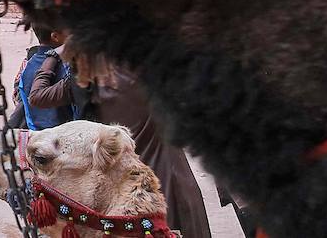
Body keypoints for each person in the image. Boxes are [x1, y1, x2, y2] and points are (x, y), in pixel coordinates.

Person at [28, 56, 212, 238]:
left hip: (127, 192)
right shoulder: (151, 66)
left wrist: (49, 60)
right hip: (175, 180)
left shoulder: (86, 76)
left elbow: (37, 97)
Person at [13, 27, 77, 130]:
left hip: (35, 133)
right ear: (55, 36)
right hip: (63, 135)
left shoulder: (28, 64)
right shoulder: (66, 66)